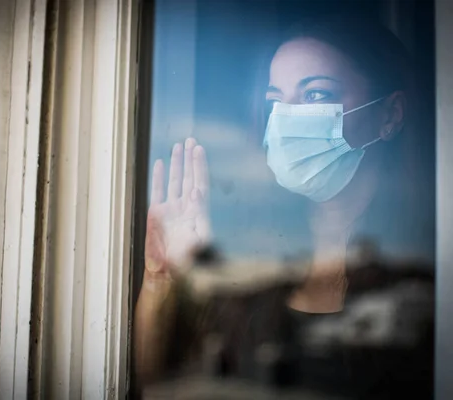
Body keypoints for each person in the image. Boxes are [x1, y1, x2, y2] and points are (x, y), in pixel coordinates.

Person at [134, 13, 433, 396]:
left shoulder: (422, 264)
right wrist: (164, 279)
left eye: (316, 95)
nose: (287, 117)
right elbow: (158, 380)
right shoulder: (256, 261)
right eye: (276, 100)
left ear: (389, 114)